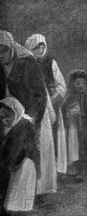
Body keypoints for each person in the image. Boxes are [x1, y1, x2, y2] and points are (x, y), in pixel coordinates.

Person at [0, 31, 57, 197]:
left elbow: (39, 95)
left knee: (33, 149)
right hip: (8, 114)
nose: (0, 55)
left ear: (10, 48)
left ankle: (37, 192)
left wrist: (31, 120)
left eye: (3, 50)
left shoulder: (27, 62)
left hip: (33, 112)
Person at [24, 34, 68, 175]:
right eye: (37, 47)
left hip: (51, 108)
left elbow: (62, 86)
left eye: (42, 46)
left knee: (51, 141)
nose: (40, 49)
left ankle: (51, 172)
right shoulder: (24, 64)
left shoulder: (50, 63)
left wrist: (52, 102)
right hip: (31, 107)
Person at [0, 97, 40, 214]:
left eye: (8, 117)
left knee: (15, 191)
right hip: (12, 162)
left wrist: (8, 164)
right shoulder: (7, 127)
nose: (5, 120)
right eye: (2, 117)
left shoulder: (23, 126)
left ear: (16, 114)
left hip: (22, 163)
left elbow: (21, 149)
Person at [62, 70, 87, 181]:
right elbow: (64, 109)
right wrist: (70, 113)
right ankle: (77, 168)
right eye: (77, 84)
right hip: (74, 128)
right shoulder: (70, 96)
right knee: (76, 148)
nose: (81, 86)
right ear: (72, 84)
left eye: (83, 83)